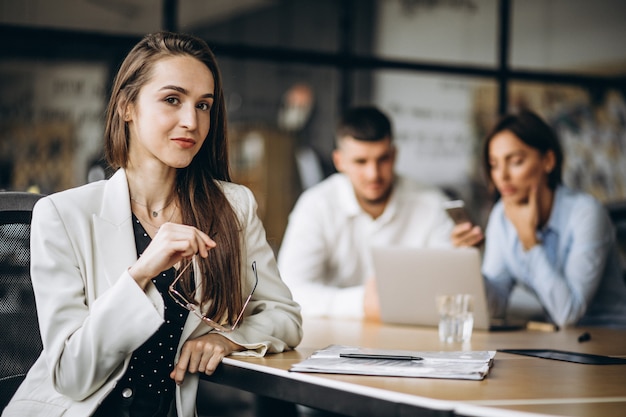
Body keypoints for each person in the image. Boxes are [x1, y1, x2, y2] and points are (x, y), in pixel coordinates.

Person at [2, 31, 302, 417]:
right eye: (172, 100)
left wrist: (227, 339)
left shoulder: (232, 205)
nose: (191, 121)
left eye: (204, 105)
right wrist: (141, 273)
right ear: (128, 106)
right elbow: (72, 375)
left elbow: (284, 316)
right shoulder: (63, 214)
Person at [277, 105, 470, 321]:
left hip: (414, 337)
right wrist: (361, 303)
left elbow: (453, 291)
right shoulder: (315, 206)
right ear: (339, 161)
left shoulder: (433, 205)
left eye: (382, 159)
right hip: (330, 339)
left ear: (394, 155)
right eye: (361, 161)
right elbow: (291, 291)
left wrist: (466, 258)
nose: (373, 174)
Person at [473, 110, 626, 328]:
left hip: (611, 343)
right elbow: (495, 305)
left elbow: (568, 314)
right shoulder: (501, 216)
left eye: (515, 161)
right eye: (494, 164)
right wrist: (467, 262)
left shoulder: (586, 213)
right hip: (559, 341)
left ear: (548, 160)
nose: (502, 176)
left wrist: (530, 241)